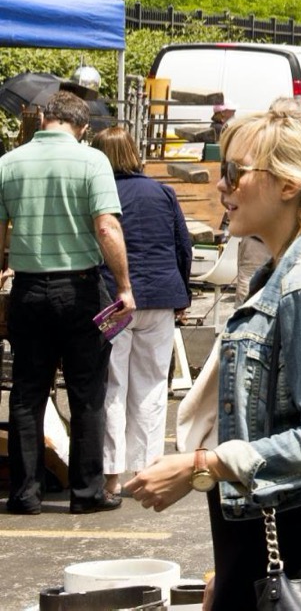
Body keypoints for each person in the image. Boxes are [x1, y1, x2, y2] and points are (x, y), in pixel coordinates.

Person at [125, 107, 301, 608]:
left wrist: (201, 464)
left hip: (297, 546)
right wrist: (229, 573)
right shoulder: (279, 276)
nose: (223, 188)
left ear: (288, 184)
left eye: (234, 173)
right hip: (268, 540)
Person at [0, 92, 134, 514]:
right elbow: (107, 227)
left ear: (43, 118)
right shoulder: (92, 161)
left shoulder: (8, 163)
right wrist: (125, 285)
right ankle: (87, 493)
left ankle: (24, 494)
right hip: (80, 289)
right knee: (87, 391)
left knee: (27, 392)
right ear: (83, 126)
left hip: (27, 289)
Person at [91, 128, 192, 500]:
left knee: (112, 385)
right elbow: (183, 245)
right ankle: (145, 470)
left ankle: (110, 475)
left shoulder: (100, 193)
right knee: (151, 386)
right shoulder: (162, 191)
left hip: (114, 300)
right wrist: (182, 294)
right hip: (162, 297)